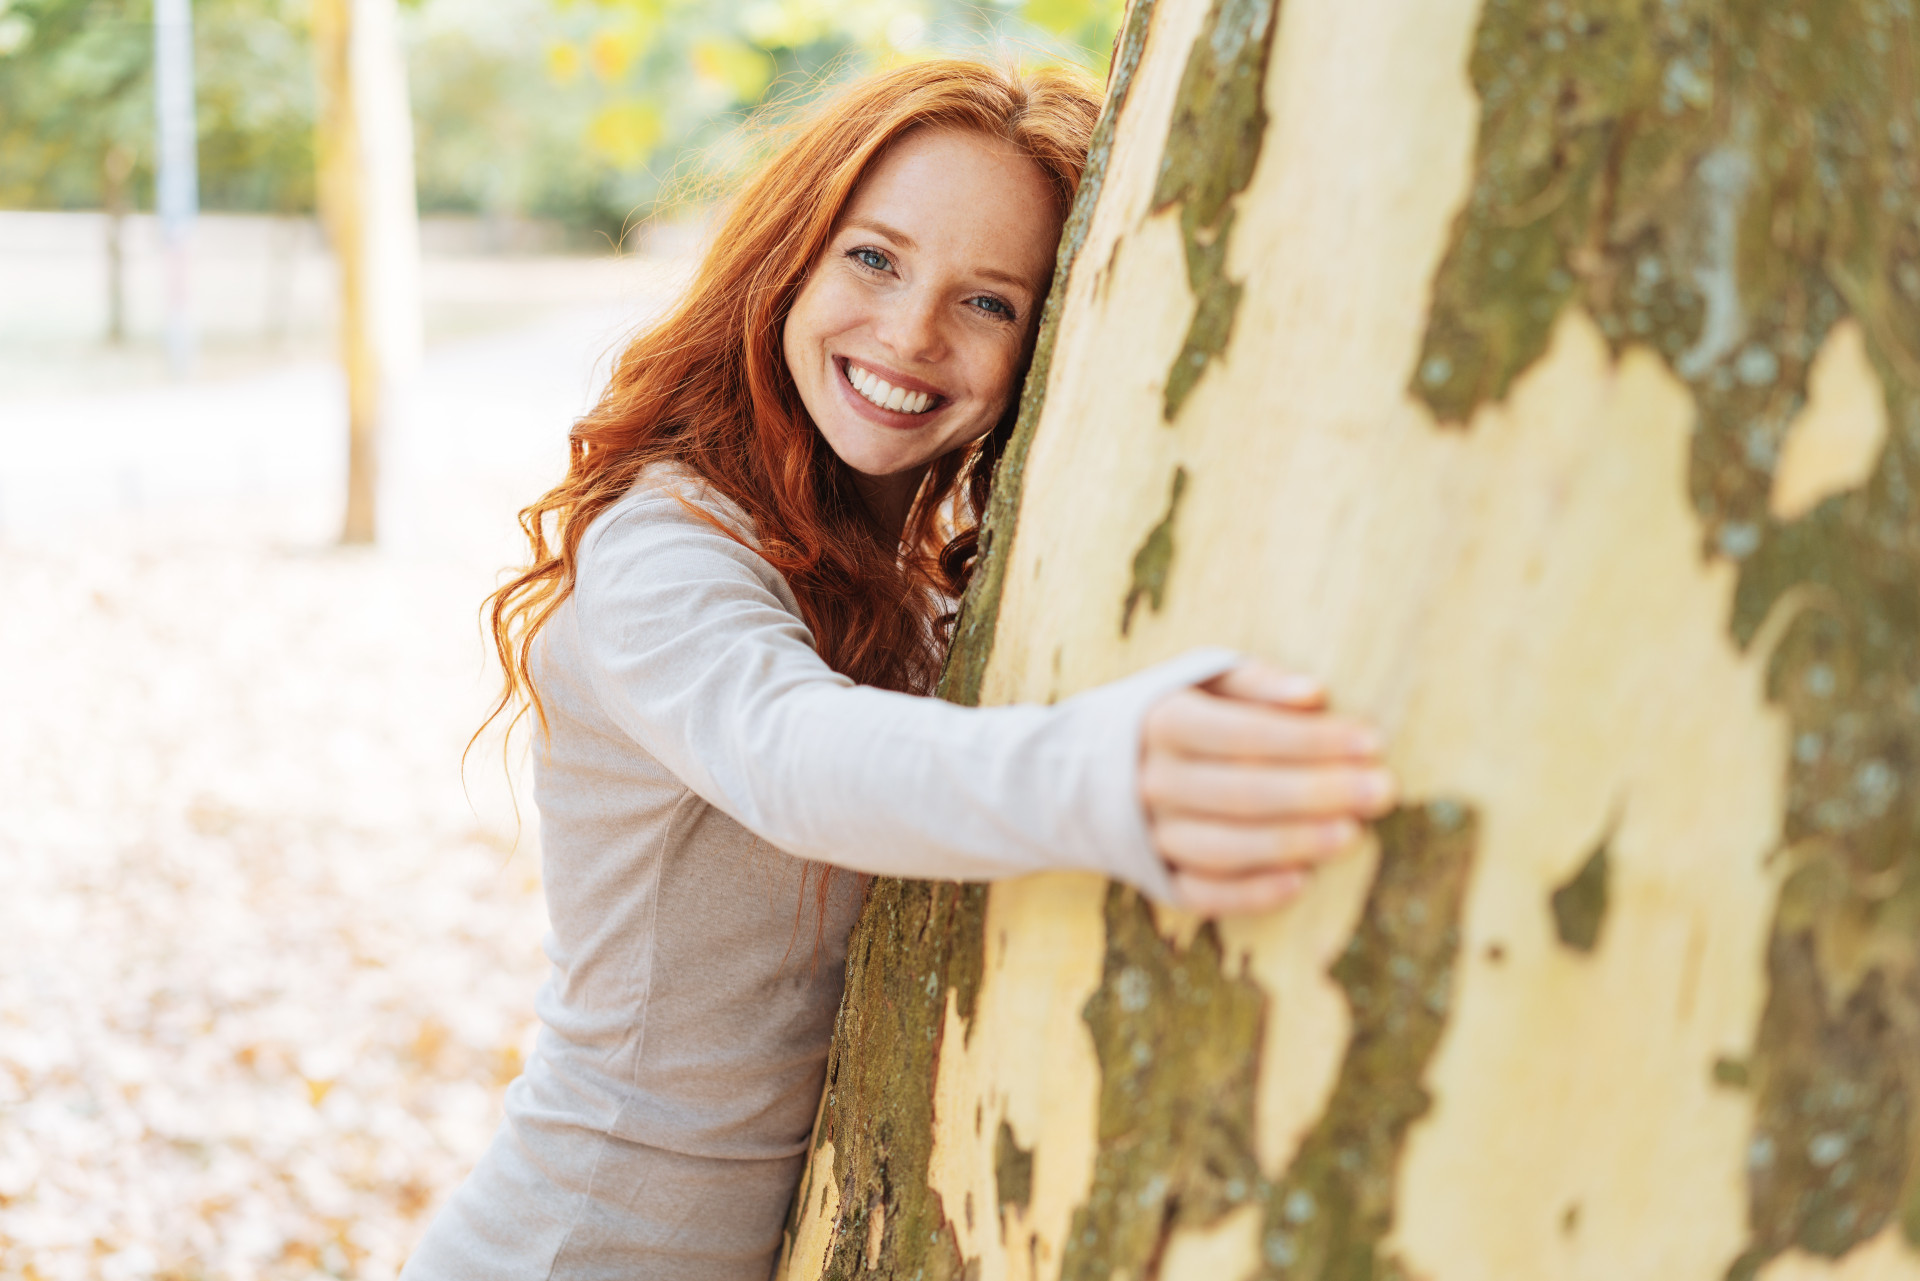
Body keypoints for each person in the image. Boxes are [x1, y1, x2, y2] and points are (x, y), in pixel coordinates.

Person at [401, 58, 1393, 1281]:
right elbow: (794, 752)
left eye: (989, 302)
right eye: (874, 259)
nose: (911, 332)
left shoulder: (909, 582)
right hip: (575, 1247)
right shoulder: (666, 546)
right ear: (791, 259)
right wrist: (1113, 772)